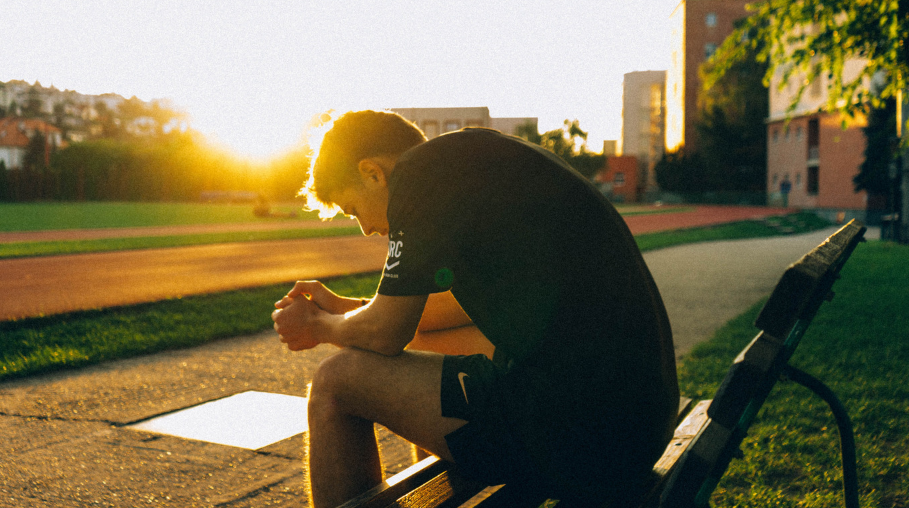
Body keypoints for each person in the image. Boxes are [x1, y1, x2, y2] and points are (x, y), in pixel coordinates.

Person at [271, 110, 678, 507]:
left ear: (373, 173)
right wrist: (345, 309)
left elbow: (385, 333)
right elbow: (435, 315)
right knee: (431, 344)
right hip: (638, 420)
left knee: (335, 382)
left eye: (354, 209)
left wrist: (318, 325)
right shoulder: (471, 165)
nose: (366, 228)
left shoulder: (416, 178)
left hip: (586, 436)